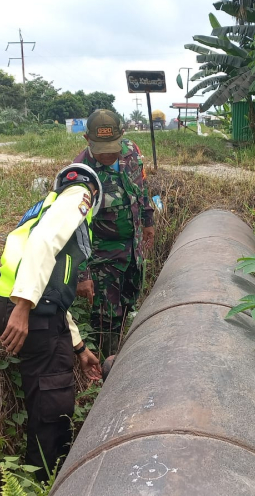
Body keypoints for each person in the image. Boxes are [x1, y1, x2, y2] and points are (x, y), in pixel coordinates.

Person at [0, 163, 103, 482]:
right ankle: (46, 481)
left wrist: (79, 349)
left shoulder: (47, 207)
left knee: (44, 398)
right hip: (27, 311)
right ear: (92, 193)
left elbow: (53, 297)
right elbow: (43, 242)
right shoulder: (79, 195)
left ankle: (42, 474)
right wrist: (24, 307)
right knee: (53, 406)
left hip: (32, 310)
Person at [73, 109, 155, 358]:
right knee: (106, 317)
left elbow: (141, 186)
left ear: (122, 136)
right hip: (102, 257)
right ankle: (107, 370)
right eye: (102, 148)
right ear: (88, 139)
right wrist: (83, 275)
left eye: (113, 146)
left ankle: (127, 354)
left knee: (130, 302)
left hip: (133, 249)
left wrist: (147, 219)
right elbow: (74, 226)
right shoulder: (81, 172)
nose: (109, 153)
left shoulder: (132, 151)